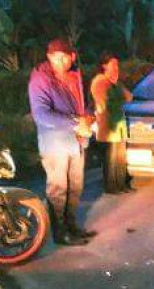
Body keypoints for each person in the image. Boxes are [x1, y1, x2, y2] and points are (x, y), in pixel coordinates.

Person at [28, 38, 96, 246]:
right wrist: (77, 122)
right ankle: (60, 233)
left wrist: (89, 117)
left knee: (75, 186)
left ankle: (71, 225)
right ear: (48, 57)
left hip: (77, 141)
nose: (59, 62)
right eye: (54, 58)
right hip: (55, 143)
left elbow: (85, 103)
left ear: (72, 56)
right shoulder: (40, 79)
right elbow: (41, 115)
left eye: (64, 57)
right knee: (58, 188)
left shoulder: (75, 75)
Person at [90, 52, 133, 194]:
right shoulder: (100, 81)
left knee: (120, 158)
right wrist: (119, 97)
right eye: (113, 64)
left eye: (117, 65)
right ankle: (111, 186)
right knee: (111, 159)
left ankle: (121, 184)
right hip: (108, 125)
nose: (116, 67)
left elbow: (129, 97)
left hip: (119, 123)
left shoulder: (114, 82)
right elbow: (104, 103)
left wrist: (116, 85)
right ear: (104, 65)